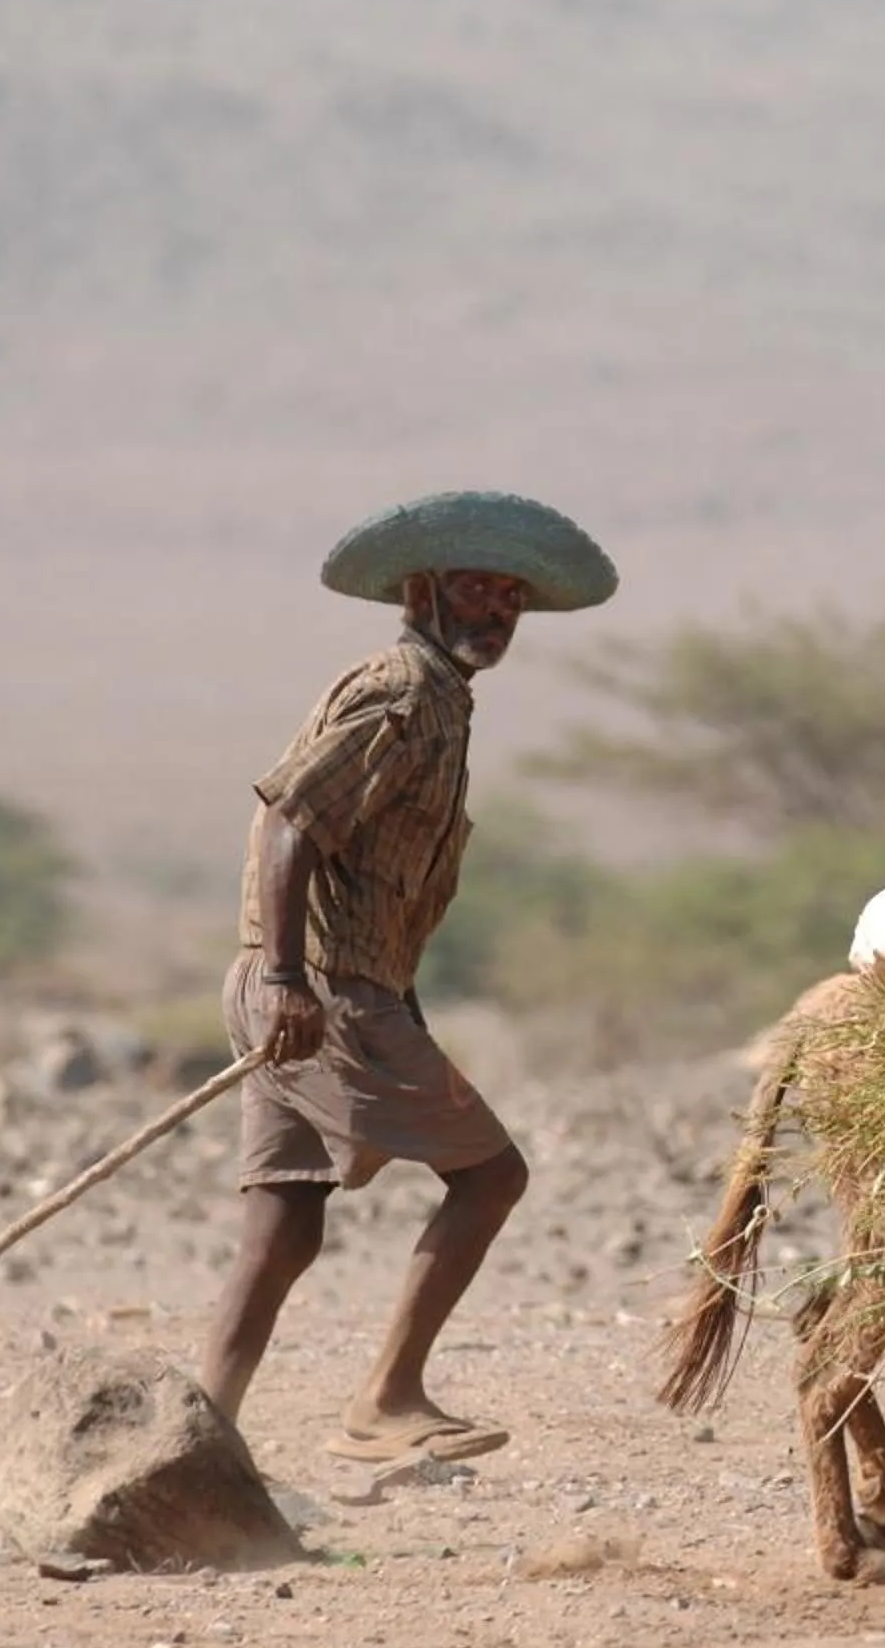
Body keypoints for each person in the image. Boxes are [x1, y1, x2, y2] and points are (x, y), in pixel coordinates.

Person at [199, 489, 618, 1464]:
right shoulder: (403, 692)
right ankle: (386, 1400)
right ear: (422, 590)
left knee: (285, 1223)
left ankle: (199, 1436)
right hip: (318, 990)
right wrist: (293, 980)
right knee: (492, 1176)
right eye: (476, 587)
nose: (496, 611)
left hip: (330, 984)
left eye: (511, 595)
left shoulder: (443, 698)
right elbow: (292, 820)